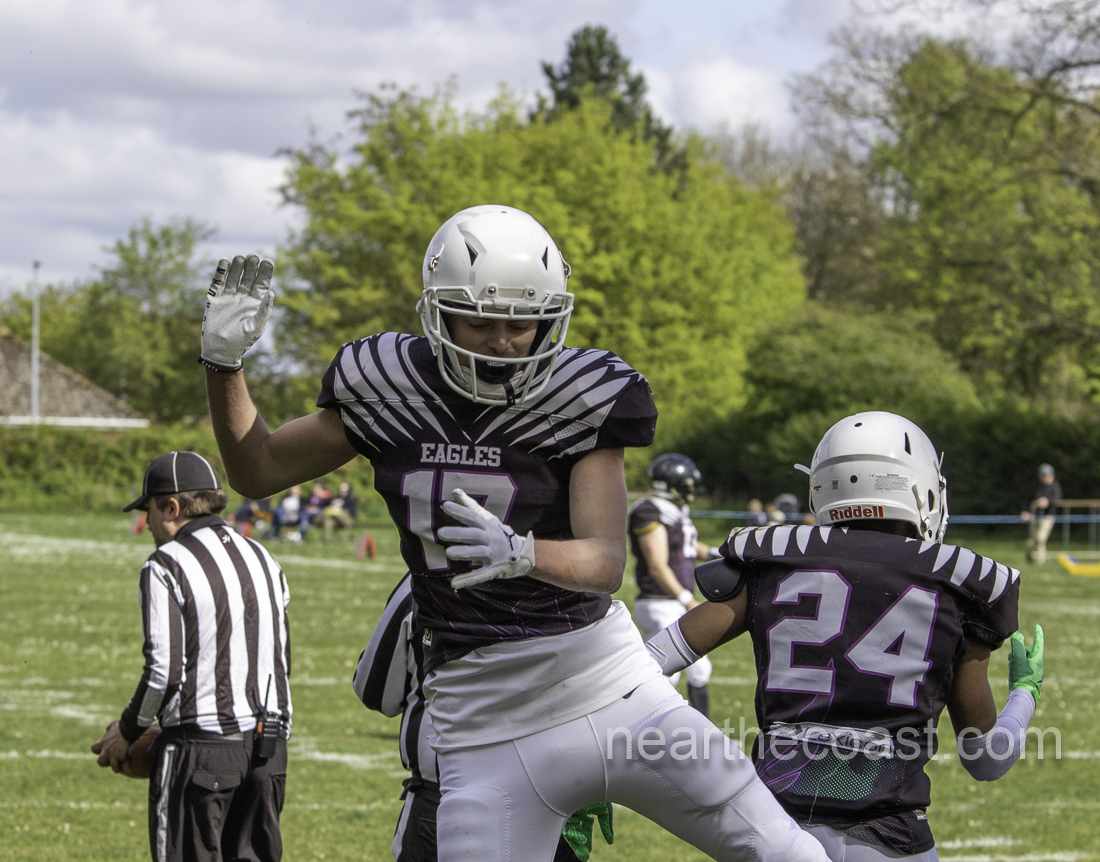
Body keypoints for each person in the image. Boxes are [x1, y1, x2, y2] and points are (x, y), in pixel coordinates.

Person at [199, 204, 829, 862]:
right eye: (483, 320)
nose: (504, 341)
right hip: (480, 718)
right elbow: (259, 469)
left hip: (606, 685)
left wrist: (522, 553)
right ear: (438, 312)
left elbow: (605, 560)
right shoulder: (385, 385)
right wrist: (224, 368)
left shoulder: (580, 393)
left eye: (522, 322)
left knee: (789, 854)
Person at [646, 412, 1045, 861]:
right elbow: (986, 760)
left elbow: (643, 666)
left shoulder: (775, 559)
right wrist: (1024, 695)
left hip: (773, 834)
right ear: (922, 489)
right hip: (889, 840)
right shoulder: (959, 581)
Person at [91, 451, 292, 862]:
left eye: (148, 509)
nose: (146, 521)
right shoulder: (264, 558)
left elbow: (164, 672)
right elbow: (281, 659)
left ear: (172, 507)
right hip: (268, 752)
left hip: (200, 754)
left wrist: (128, 732)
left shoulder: (166, 563)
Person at [352, 574, 609, 862]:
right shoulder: (578, 581)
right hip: (551, 794)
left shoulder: (423, 578)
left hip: (447, 793)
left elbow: (375, 691)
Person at [629, 453, 714, 716]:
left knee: (699, 669)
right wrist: (686, 598)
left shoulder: (674, 509)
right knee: (665, 674)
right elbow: (657, 565)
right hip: (660, 602)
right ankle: (648, 730)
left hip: (672, 602)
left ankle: (702, 733)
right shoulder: (650, 510)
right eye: (687, 485)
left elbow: (687, 547)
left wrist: (719, 552)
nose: (691, 490)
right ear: (672, 483)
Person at [1021, 463, 1062, 564]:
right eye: (1043, 476)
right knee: (1032, 540)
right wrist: (1025, 511)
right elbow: (1028, 499)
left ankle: (1041, 560)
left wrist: (1047, 501)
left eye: (1047, 476)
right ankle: (1030, 559)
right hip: (1034, 515)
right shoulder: (1036, 486)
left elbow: (1057, 499)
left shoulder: (1055, 486)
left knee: (1040, 538)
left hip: (1047, 516)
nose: (1045, 478)